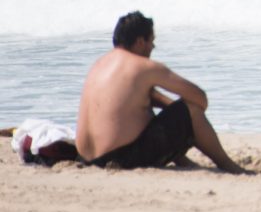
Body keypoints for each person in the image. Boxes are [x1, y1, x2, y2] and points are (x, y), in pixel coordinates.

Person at [75, 11, 247, 173]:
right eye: (151, 41)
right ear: (140, 42)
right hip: (121, 160)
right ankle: (228, 165)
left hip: (87, 159)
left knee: (144, 114)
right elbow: (200, 99)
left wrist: (155, 99)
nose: (153, 47)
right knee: (191, 110)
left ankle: (185, 163)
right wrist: (172, 107)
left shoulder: (98, 65)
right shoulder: (144, 67)